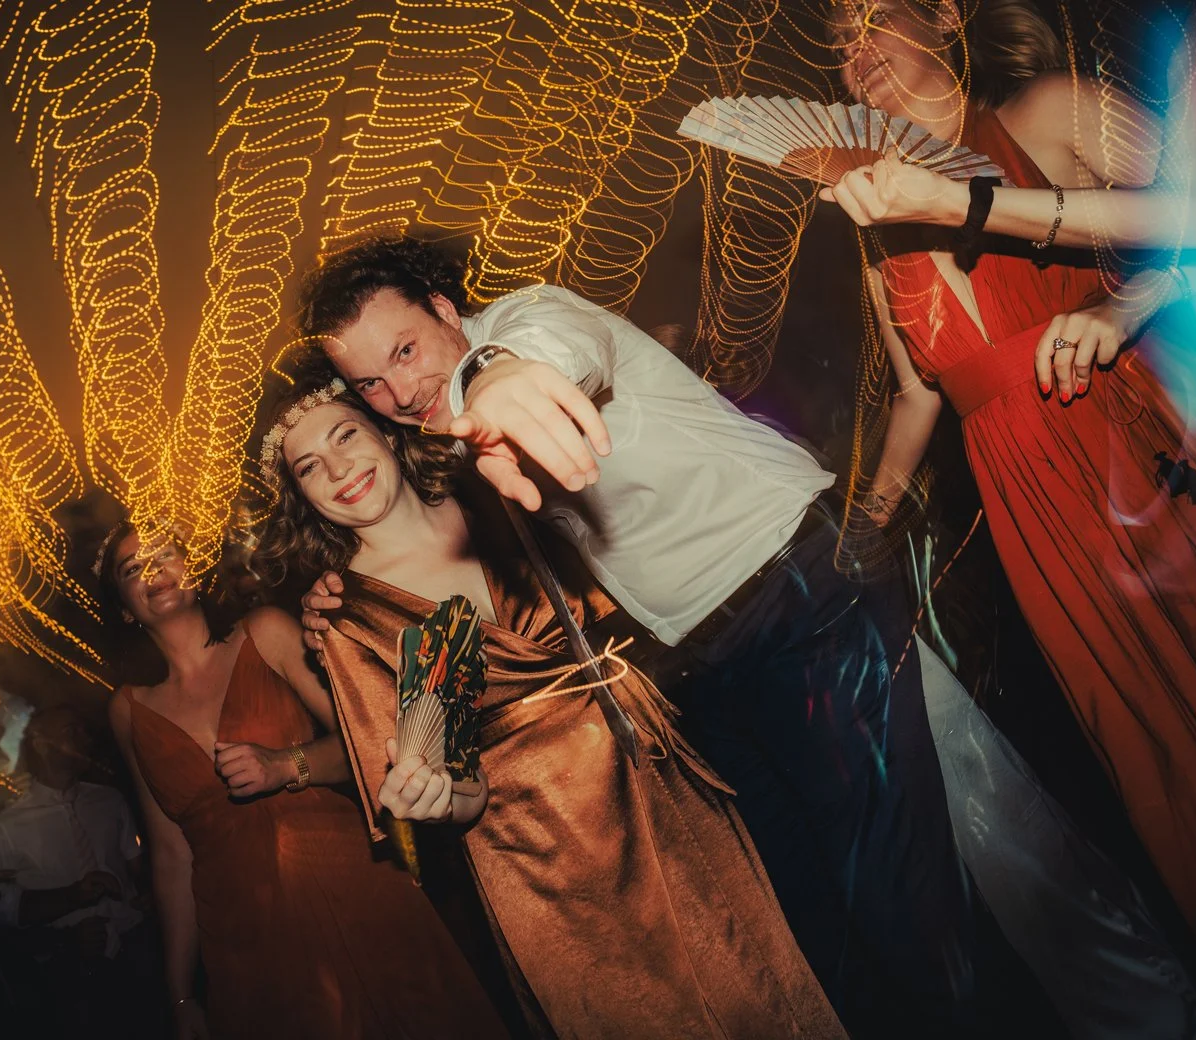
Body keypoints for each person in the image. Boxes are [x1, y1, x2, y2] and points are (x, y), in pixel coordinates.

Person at [292, 234, 982, 1035]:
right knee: (802, 914)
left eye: (407, 350)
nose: (400, 390)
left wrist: (495, 371)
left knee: (894, 893)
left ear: (447, 310)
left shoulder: (528, 318)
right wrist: (334, 587)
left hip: (792, 586)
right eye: (369, 383)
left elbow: (553, 352)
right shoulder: (449, 450)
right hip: (698, 661)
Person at [819, 0, 1196, 1014]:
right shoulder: (874, 218)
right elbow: (926, 386)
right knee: (1157, 741)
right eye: (837, 41)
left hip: (1133, 442)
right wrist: (866, 518)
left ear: (944, 14)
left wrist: (1124, 301)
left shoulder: (1047, 109)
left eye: (876, 15)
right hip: (1033, 517)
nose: (858, 49)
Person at [253, 381, 846, 1040]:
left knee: (761, 992)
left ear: (387, 434)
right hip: (542, 864)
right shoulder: (349, 622)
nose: (338, 470)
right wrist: (435, 799)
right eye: (308, 467)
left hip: (654, 788)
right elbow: (456, 787)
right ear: (301, 496)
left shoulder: (502, 497)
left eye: (346, 436)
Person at [97, 520, 506, 1040]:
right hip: (242, 926)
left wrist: (287, 764)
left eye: (163, 552)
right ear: (125, 608)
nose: (153, 570)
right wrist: (181, 993)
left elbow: (369, 744)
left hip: (349, 880)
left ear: (194, 565)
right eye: (132, 568)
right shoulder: (128, 710)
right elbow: (170, 853)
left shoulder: (264, 631)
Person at [0, 705, 159, 1039]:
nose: (86, 739)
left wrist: (151, 896)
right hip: (69, 974)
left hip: (136, 952)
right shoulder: (4, 827)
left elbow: (139, 869)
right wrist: (73, 899)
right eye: (72, 731)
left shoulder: (109, 801)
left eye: (86, 732)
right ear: (41, 744)